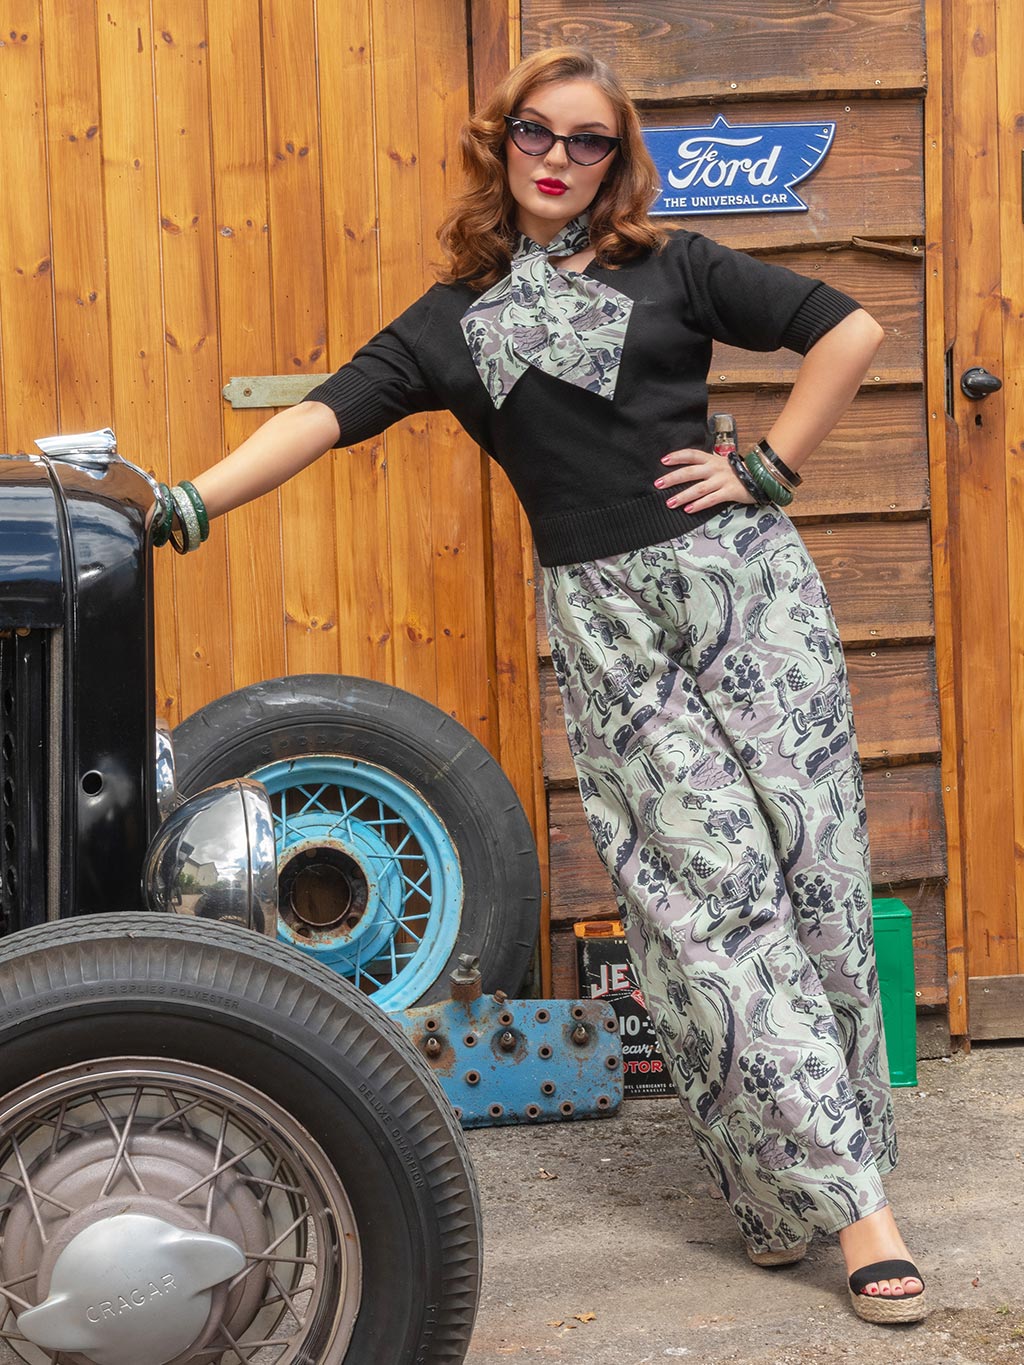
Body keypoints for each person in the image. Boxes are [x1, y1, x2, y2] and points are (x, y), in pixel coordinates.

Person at [171, 45, 927, 1325]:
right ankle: (859, 1213)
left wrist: (771, 467)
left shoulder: (674, 265)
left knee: (811, 877)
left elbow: (848, 330)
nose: (560, 159)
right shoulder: (448, 320)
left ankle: (786, 1186)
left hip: (746, 594)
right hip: (610, 627)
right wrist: (188, 501)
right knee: (701, 905)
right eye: (538, 133)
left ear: (615, 158)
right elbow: (320, 414)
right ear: (501, 142)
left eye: (587, 141)